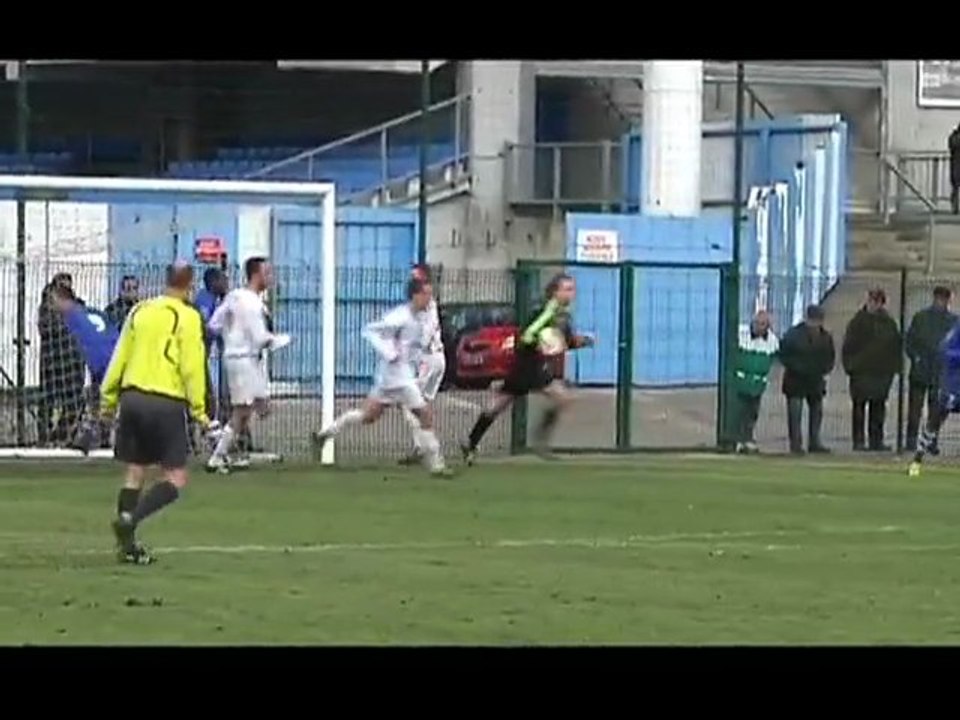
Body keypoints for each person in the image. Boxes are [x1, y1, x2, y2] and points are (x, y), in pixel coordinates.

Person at [101, 261, 210, 565]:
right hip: (165, 402)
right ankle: (130, 521)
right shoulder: (188, 317)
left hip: (132, 398)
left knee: (136, 469)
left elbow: (120, 354)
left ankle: (128, 546)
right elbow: (192, 366)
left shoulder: (139, 310)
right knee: (175, 478)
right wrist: (200, 411)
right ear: (190, 284)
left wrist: (107, 400)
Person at [311, 277, 448, 476]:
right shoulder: (400, 316)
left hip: (392, 376)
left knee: (368, 416)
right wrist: (389, 352)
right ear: (415, 295)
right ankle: (437, 465)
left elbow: (412, 345)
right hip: (398, 377)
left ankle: (324, 435)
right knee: (424, 413)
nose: (429, 298)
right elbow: (370, 331)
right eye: (426, 294)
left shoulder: (419, 317)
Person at [461, 273, 594, 464]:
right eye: (566, 289)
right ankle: (540, 440)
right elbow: (526, 336)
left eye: (572, 289)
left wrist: (584, 341)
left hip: (531, 365)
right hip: (528, 364)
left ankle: (471, 443)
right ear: (554, 292)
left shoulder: (562, 316)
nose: (571, 293)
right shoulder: (545, 312)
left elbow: (567, 341)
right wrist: (537, 342)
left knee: (497, 405)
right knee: (563, 398)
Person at [205, 257, 288, 473]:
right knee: (242, 411)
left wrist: (230, 335)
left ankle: (227, 446)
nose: (270, 277)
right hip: (244, 359)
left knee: (260, 407)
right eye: (267, 273)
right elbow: (260, 338)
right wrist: (280, 340)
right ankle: (217, 452)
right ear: (256, 275)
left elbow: (214, 323)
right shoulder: (253, 304)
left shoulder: (234, 296)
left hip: (237, 358)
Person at [49, 285, 121, 453]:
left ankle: (105, 437)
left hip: (102, 363)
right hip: (117, 355)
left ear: (63, 300)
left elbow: (85, 343)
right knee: (101, 401)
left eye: (54, 301)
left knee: (108, 402)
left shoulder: (71, 318)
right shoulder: (93, 312)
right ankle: (93, 436)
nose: (52, 306)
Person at [841, 288, 902, 452]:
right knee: (859, 408)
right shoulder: (857, 322)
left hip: (881, 373)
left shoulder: (889, 323)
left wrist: (893, 370)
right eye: (872, 300)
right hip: (861, 372)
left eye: (877, 301)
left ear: (882, 303)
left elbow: (895, 347)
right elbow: (848, 347)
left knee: (878, 408)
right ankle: (859, 441)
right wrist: (851, 367)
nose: (873, 304)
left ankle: (876, 441)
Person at [399, 264, 447, 466]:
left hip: (430, 359)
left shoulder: (426, 306)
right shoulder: (423, 305)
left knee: (408, 403)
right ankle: (425, 447)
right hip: (436, 359)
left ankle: (424, 448)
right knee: (422, 405)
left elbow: (425, 335)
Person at [37, 272, 86, 446]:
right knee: (47, 402)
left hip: (73, 362)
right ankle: (44, 438)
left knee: (74, 403)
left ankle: (62, 436)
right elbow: (48, 329)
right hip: (52, 363)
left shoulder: (79, 306)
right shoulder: (46, 309)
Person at [779, 304, 835, 455]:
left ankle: (814, 442)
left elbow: (830, 357)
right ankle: (796, 444)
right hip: (795, 380)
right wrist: (798, 367)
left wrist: (823, 370)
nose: (815, 324)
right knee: (795, 413)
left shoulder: (825, 337)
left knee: (817, 411)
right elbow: (784, 354)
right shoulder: (793, 334)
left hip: (815, 380)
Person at [905, 286, 956, 451]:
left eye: (944, 299)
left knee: (936, 411)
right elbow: (910, 341)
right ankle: (911, 440)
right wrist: (916, 357)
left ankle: (930, 441)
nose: (941, 302)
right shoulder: (920, 318)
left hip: (940, 373)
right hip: (921, 371)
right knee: (915, 409)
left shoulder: (953, 321)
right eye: (939, 298)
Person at [909, 317, 960, 477]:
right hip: (954, 384)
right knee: (936, 418)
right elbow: (944, 349)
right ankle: (917, 459)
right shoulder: (958, 329)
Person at [732, 310, 779, 454]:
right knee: (738, 412)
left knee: (752, 412)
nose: (759, 326)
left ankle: (748, 438)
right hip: (739, 382)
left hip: (757, 385)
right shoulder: (741, 334)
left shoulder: (773, 341)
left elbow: (773, 359)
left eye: (763, 324)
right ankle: (736, 440)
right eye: (757, 323)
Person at [194, 267, 229, 424]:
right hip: (203, 354)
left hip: (213, 355)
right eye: (223, 280)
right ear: (213, 282)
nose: (226, 283)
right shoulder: (204, 300)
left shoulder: (217, 299)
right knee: (210, 394)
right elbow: (205, 327)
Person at [949, 123, 960, 215]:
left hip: (955, 165)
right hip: (956, 165)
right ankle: (955, 208)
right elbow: (953, 145)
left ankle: (955, 207)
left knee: (955, 188)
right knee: (955, 188)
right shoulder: (955, 137)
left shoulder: (954, 137)